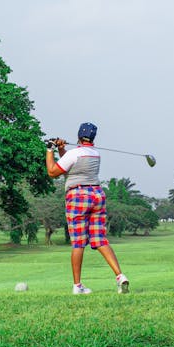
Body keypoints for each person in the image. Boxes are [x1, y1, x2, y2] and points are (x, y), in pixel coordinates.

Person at [45, 122, 130, 294]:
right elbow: (71, 164)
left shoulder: (75, 153)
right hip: (97, 195)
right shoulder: (95, 154)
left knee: (78, 242)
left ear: (78, 135)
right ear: (93, 137)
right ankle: (120, 276)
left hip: (78, 196)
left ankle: (77, 286)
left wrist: (49, 149)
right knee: (99, 239)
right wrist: (61, 149)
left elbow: (53, 172)